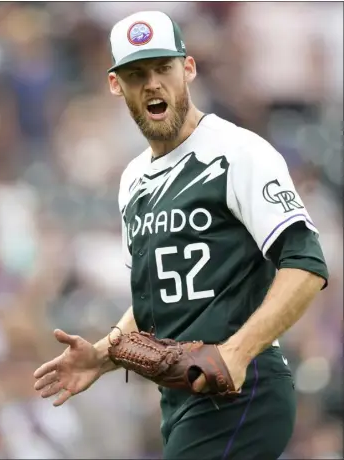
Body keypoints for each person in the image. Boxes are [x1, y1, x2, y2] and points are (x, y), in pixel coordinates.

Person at [33, 10, 329, 460]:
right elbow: (154, 304)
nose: (152, 83)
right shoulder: (132, 180)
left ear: (187, 69)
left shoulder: (238, 152)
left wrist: (238, 350)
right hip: (182, 400)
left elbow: (306, 265)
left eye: (163, 68)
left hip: (243, 390)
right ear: (117, 85)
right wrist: (100, 354)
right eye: (136, 74)